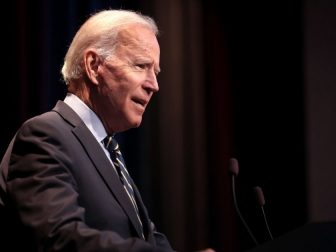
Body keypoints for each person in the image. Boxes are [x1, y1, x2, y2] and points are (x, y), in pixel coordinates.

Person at [0, 9, 175, 252]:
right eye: (141, 65)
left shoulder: (108, 149)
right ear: (93, 66)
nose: (153, 85)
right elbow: (59, 237)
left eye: (155, 72)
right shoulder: (46, 135)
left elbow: (147, 237)